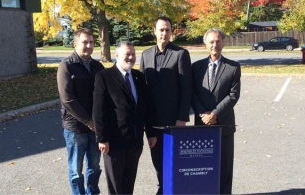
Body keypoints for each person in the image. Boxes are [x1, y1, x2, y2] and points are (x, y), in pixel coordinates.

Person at [93, 41, 157, 195]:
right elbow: (98, 110)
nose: (130, 57)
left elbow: (146, 108)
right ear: (117, 56)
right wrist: (102, 138)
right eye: (127, 54)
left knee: (129, 183)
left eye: (133, 54)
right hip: (114, 142)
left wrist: (151, 133)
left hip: (135, 141)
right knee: (116, 186)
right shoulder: (104, 77)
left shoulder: (139, 77)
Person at [140, 16, 192, 194]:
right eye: (161, 30)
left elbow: (187, 89)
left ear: (171, 32)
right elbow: (142, 90)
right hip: (152, 122)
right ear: (154, 31)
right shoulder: (146, 55)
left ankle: (167, 190)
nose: (164, 33)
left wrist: (182, 118)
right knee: (157, 162)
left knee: (172, 163)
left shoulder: (180, 54)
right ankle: (163, 188)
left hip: (172, 122)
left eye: (168, 30)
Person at [191, 28, 241, 194]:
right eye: (211, 42)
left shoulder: (233, 67)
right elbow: (192, 94)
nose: (215, 45)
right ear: (205, 44)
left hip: (224, 126)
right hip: (202, 125)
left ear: (223, 43)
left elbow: (233, 96)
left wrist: (214, 114)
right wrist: (203, 114)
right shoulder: (196, 67)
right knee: (203, 166)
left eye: (218, 41)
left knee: (224, 167)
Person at [57, 28, 104, 195]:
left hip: (95, 128)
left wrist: (98, 122)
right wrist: (88, 120)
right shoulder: (66, 66)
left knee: (94, 167)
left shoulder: (98, 66)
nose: (89, 45)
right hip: (75, 128)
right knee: (76, 171)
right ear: (75, 43)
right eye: (85, 42)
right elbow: (68, 99)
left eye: (91, 42)